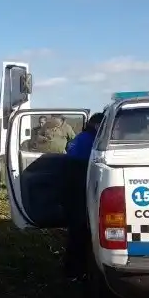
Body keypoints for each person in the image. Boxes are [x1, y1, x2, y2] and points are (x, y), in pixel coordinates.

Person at [62, 112, 105, 279]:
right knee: (80, 231)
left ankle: (73, 268)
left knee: (76, 231)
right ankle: (76, 270)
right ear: (96, 125)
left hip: (72, 189)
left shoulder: (80, 138)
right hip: (81, 190)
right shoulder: (93, 142)